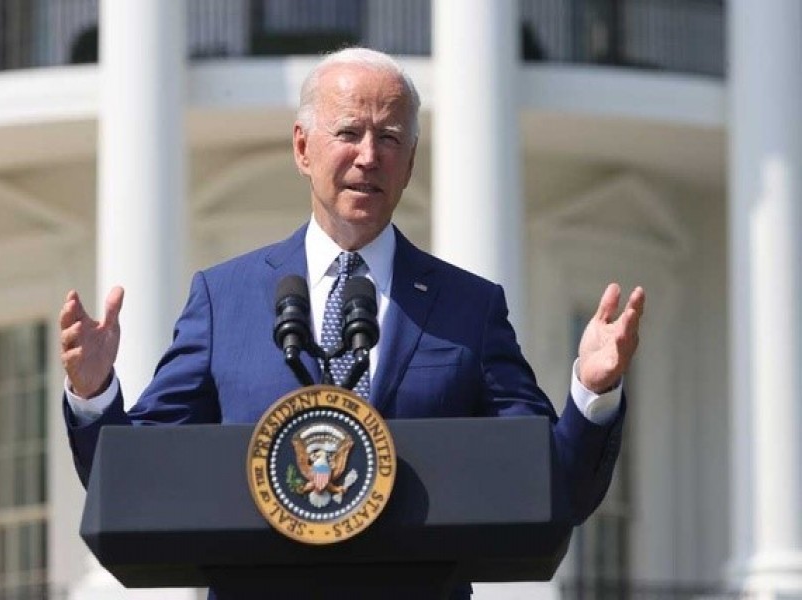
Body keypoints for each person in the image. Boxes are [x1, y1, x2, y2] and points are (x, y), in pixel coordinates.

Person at [60, 47, 645, 599]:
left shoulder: (469, 306)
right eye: (348, 133)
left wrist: (592, 392)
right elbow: (140, 475)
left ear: (410, 163)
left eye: (390, 137)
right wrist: (93, 394)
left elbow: (551, 482)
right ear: (302, 147)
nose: (369, 155)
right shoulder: (225, 297)